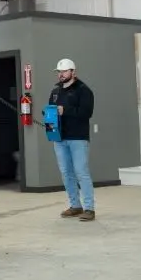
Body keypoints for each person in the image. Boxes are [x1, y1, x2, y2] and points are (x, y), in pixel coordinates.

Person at [48, 58, 96, 221]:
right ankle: (75, 205)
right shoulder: (55, 91)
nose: (61, 74)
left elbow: (86, 113)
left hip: (78, 138)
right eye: (59, 72)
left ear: (73, 72)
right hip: (59, 138)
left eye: (64, 71)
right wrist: (49, 115)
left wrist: (65, 110)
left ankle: (89, 208)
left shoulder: (84, 90)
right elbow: (52, 109)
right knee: (66, 173)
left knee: (81, 172)